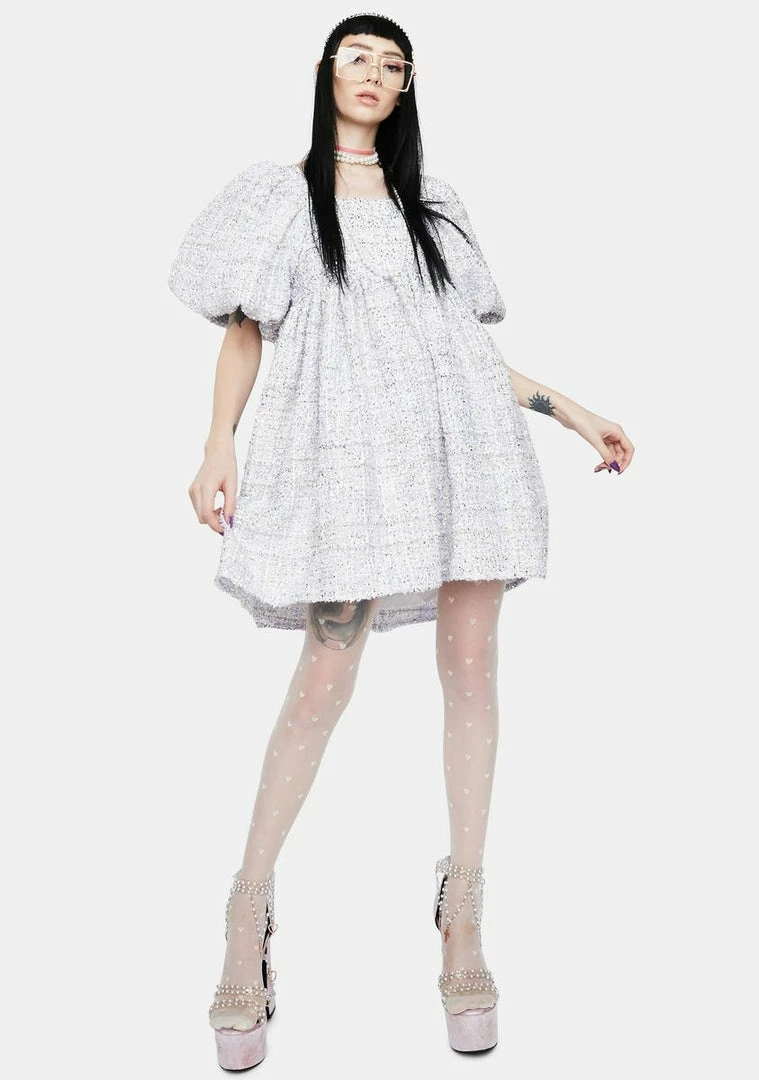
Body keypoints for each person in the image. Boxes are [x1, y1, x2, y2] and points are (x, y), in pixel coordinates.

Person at [167, 11, 634, 1068]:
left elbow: (455, 356)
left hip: (463, 464)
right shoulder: (281, 197)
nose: (374, 75)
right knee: (324, 677)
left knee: (470, 670)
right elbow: (244, 331)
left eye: (393, 65)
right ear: (326, 71)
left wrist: (570, 410)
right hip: (349, 471)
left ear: (407, 86)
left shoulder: (435, 206)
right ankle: (247, 912)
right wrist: (216, 442)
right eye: (358, 59)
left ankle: (462, 914)